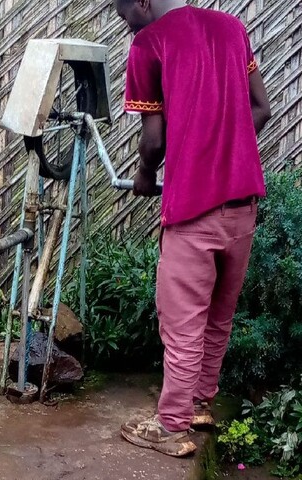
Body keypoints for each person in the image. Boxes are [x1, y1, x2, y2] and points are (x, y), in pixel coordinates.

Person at [113, 0, 272, 457]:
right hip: (242, 208)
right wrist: (226, 147)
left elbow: (154, 139)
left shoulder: (150, 43)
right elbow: (259, 108)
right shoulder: (232, 28)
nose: (127, 25)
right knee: (218, 317)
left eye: (125, 14)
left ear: (142, 1)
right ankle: (200, 403)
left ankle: (169, 426)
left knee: (181, 322)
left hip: (193, 212)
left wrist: (145, 176)